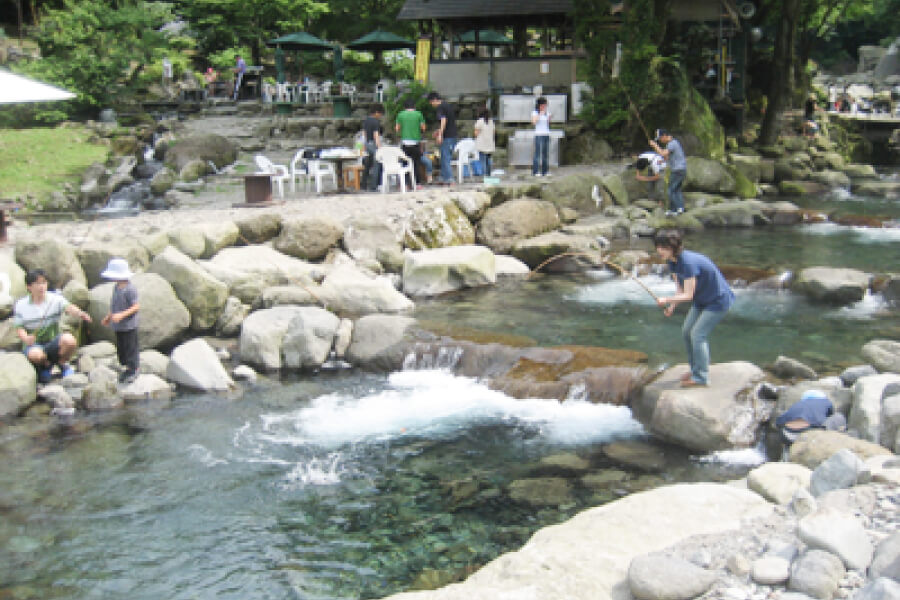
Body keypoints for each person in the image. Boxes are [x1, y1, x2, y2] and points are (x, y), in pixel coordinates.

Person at [653, 229, 734, 388]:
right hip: (701, 300)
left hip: (717, 301)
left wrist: (666, 299)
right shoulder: (672, 262)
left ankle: (701, 377)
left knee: (698, 334)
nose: (659, 251)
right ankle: (695, 368)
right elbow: (680, 290)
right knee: (686, 331)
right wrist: (672, 306)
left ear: (674, 247)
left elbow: (688, 295)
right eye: (658, 247)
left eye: (664, 247)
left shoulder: (688, 263)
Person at [13, 269, 93, 384]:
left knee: (69, 340)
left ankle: (62, 363)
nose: (42, 286)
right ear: (29, 287)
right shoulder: (21, 305)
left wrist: (80, 313)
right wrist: (26, 338)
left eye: (44, 282)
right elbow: (19, 327)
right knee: (36, 355)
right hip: (35, 344)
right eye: (38, 283)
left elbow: (68, 307)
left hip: (53, 341)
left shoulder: (55, 299)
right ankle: (46, 365)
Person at [100, 258, 141, 384]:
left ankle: (134, 368)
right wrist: (109, 317)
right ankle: (126, 367)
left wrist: (122, 315)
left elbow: (136, 306)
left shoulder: (130, 289)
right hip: (118, 326)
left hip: (129, 325)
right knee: (121, 348)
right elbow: (114, 306)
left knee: (130, 348)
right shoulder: (116, 288)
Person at [775, 389, 847, 447]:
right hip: (810, 435)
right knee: (838, 416)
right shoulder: (826, 402)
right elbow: (830, 416)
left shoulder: (797, 404)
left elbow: (778, 422)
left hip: (787, 436)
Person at [649, 129, 687, 216]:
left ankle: (674, 209)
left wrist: (655, 145)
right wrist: (661, 162)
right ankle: (680, 208)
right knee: (676, 189)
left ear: (665, 136)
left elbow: (663, 153)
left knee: (670, 190)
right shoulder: (673, 144)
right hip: (682, 170)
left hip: (677, 170)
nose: (660, 141)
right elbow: (666, 157)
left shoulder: (672, 143)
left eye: (660, 138)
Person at [395, 98, 426, 190]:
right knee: (416, 163)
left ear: (404, 107)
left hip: (405, 143)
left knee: (405, 163)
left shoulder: (400, 115)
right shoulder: (418, 114)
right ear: (414, 106)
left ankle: (406, 184)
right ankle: (417, 184)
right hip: (416, 142)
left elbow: (397, 128)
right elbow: (423, 127)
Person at [427, 91, 457, 184]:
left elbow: (443, 120)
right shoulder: (447, 106)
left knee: (445, 157)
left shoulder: (440, 108)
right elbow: (448, 122)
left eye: (431, 103)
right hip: (453, 135)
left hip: (447, 136)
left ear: (435, 100)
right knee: (446, 157)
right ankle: (443, 177)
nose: (432, 105)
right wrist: (438, 131)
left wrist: (440, 135)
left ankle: (450, 179)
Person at [362, 103, 385, 192]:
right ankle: (373, 186)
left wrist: (365, 145)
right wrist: (379, 148)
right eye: (380, 113)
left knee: (367, 164)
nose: (380, 116)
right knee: (377, 164)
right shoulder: (376, 122)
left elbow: (364, 133)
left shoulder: (366, 120)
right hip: (373, 144)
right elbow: (376, 136)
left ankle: (363, 184)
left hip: (367, 143)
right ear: (376, 112)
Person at [531, 97, 551, 177]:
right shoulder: (535, 113)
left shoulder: (547, 112)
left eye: (545, 105)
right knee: (537, 154)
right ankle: (536, 171)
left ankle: (545, 171)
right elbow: (534, 122)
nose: (544, 106)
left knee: (545, 154)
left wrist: (548, 118)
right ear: (539, 105)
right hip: (539, 134)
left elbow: (547, 123)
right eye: (543, 105)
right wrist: (540, 114)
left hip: (546, 133)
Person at [473, 106, 496, 177]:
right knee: (488, 161)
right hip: (490, 144)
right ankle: (489, 175)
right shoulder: (491, 121)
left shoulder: (479, 121)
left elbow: (476, 133)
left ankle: (484, 175)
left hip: (482, 144)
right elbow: (494, 132)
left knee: (483, 161)